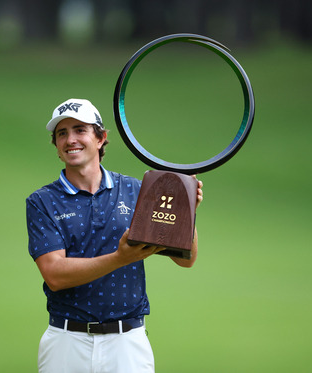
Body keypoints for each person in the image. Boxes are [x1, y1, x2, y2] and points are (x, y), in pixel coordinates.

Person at [26, 98, 203, 373]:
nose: (70, 139)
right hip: (66, 342)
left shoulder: (136, 191)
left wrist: (186, 213)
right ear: (57, 148)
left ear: (100, 138)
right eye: (62, 133)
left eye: (80, 130)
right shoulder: (42, 201)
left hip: (127, 344)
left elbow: (185, 259)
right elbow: (55, 275)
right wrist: (120, 258)